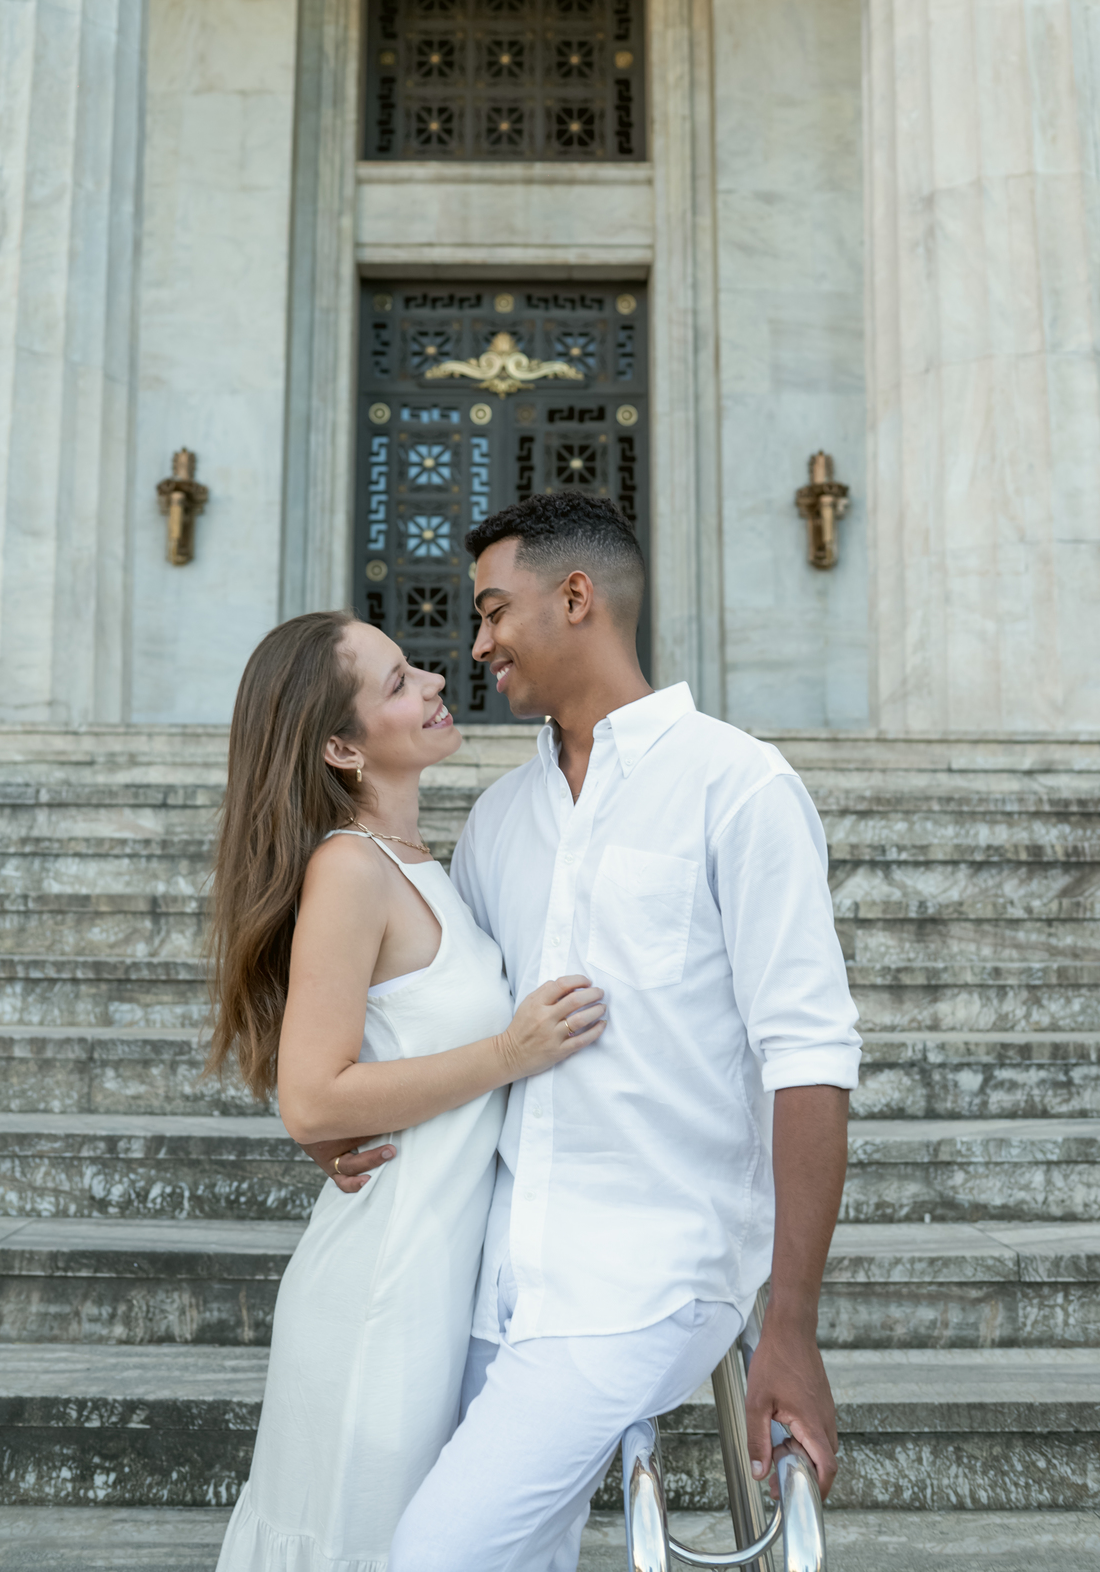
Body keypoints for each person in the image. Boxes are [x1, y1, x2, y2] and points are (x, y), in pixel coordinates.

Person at [380, 491, 863, 1572]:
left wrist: (790, 1323)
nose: (479, 643)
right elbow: (453, 1022)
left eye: (497, 610)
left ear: (579, 597)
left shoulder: (738, 787)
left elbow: (810, 1061)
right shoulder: (501, 819)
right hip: (490, 1277)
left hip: (650, 1274)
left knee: (430, 1558)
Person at [205, 610, 607, 1572]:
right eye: (395, 683)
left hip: (443, 1284)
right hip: (382, 1295)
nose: (433, 682)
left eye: (414, 667)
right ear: (342, 747)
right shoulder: (349, 869)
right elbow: (312, 1098)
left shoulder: (429, 865)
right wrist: (510, 1052)